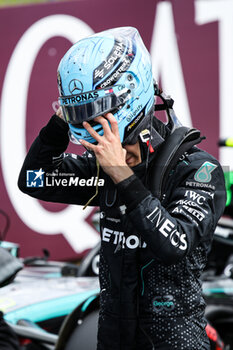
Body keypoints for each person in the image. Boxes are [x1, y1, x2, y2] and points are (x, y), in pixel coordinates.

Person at [18, 27, 226, 350]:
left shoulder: (199, 170)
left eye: (96, 115)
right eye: (83, 117)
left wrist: (122, 175)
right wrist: (63, 119)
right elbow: (33, 177)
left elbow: (174, 243)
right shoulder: (104, 169)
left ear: (129, 94)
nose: (91, 132)